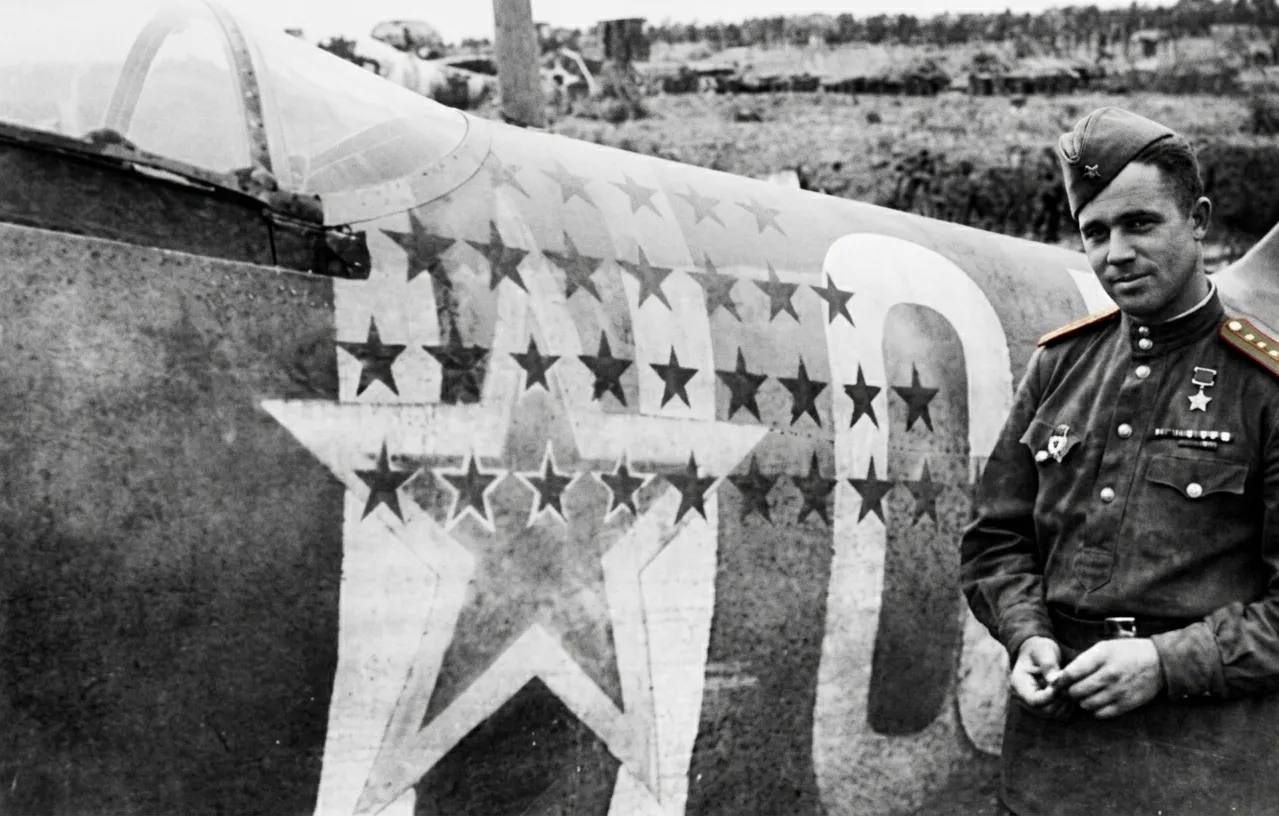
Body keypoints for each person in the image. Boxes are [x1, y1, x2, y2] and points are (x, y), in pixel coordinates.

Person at [961, 106, 1279, 815]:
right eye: (1095, 232)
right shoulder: (1058, 365)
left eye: (1140, 224)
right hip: (1053, 771)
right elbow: (995, 539)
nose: (1117, 253)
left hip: (1206, 773)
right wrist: (1026, 635)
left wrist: (1166, 664)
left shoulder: (1263, 385)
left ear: (1197, 220)